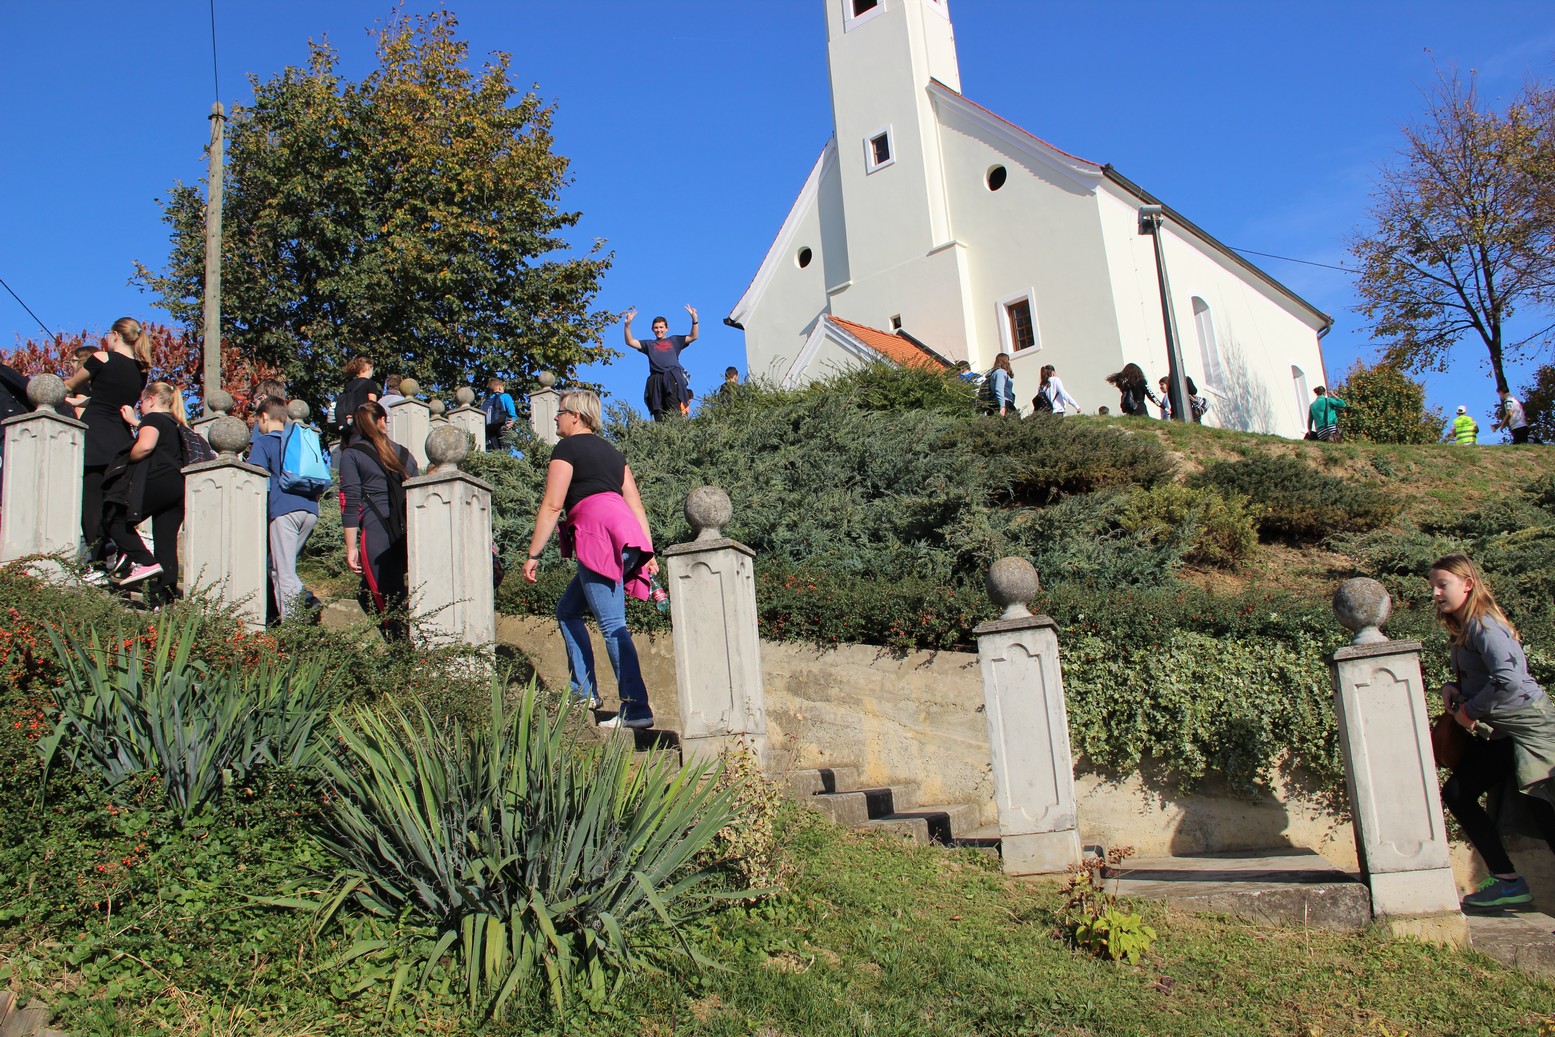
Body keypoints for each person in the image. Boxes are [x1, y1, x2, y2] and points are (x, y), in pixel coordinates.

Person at [522, 390, 658, 729]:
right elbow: (635, 505)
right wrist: (648, 552)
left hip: (598, 537)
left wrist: (533, 553)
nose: (556, 418)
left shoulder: (566, 448)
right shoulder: (614, 453)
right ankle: (583, 693)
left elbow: (553, 505)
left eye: (560, 412)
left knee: (612, 625)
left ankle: (636, 709)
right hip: (626, 537)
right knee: (568, 610)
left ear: (576, 416)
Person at [1428, 553, 1555, 910]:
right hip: (1504, 732)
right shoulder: (1468, 627)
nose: (1436, 593)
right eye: (1433, 586)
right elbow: (1487, 677)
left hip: (1531, 728)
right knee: (1458, 793)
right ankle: (1508, 881)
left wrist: (1470, 710)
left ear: (1468, 584)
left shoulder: (1485, 625)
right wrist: (1454, 689)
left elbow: (1509, 679)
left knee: (1545, 809)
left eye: (1443, 585)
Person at [62, 317, 151, 568]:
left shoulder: (101, 358)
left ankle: (97, 564)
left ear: (115, 335)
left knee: (91, 505)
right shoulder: (141, 372)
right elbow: (110, 398)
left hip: (95, 436)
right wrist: (78, 402)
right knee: (111, 505)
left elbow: (69, 385)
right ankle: (121, 555)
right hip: (121, 440)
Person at [340, 400, 418, 638]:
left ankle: (399, 649)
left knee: (384, 601)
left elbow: (350, 502)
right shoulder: (406, 455)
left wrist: (351, 547)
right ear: (383, 420)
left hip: (376, 532)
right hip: (407, 533)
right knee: (400, 596)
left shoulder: (352, 454)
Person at [105, 381, 187, 605]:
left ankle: (145, 561)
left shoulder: (153, 419)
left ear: (150, 400)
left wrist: (127, 459)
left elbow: (146, 446)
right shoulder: (175, 424)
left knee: (114, 518)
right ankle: (164, 600)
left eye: (141, 402)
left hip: (158, 480)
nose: (139, 407)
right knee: (166, 542)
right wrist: (136, 422)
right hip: (178, 487)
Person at [248, 397, 321, 622]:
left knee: (284, 571)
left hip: (284, 510)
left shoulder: (264, 442)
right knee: (275, 565)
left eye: (257, 422)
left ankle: (293, 625)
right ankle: (297, 608)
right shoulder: (298, 440)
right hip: (309, 509)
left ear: (264, 417)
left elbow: (255, 478)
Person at [623, 306, 698, 420]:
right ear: (652, 329)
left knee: (675, 410)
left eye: (661, 327)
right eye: (656, 328)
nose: (659, 330)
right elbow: (630, 342)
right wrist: (627, 325)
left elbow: (693, 336)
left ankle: (677, 428)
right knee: (658, 411)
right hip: (656, 380)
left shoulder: (675, 340)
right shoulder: (649, 344)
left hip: (672, 377)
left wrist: (694, 320)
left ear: (667, 328)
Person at [335, 358, 381, 449]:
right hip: (363, 420)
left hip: (349, 421)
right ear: (368, 368)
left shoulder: (349, 385)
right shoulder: (370, 384)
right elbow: (372, 405)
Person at [247, 376, 288, 452]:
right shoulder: (290, 423)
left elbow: (256, 450)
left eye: (254, 402)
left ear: (262, 397)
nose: (255, 407)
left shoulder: (262, 419)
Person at [483, 376, 517, 450]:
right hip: (501, 425)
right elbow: (511, 410)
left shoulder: (486, 402)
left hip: (490, 429)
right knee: (507, 449)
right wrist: (513, 420)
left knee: (496, 450)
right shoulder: (505, 396)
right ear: (500, 388)